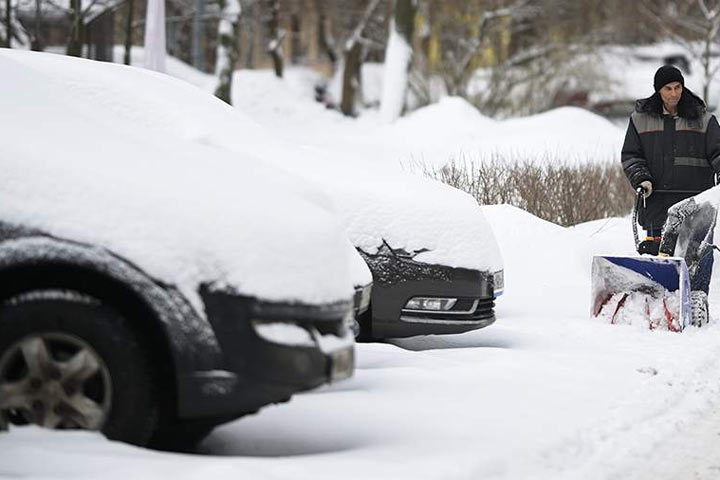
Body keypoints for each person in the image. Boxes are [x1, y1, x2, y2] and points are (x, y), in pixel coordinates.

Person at [622, 64, 720, 324]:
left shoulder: (703, 119)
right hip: (657, 200)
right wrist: (641, 178)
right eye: (668, 89)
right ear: (658, 90)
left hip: (696, 201)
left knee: (699, 252)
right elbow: (631, 155)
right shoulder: (640, 119)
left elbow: (718, 152)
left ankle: (698, 298)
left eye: (678, 87)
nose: (674, 93)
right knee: (659, 252)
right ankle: (659, 302)